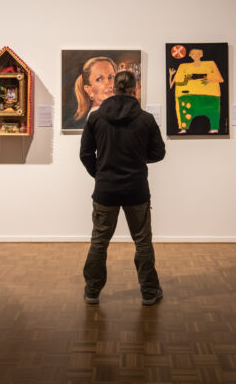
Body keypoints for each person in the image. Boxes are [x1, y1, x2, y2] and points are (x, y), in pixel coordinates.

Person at [80, 70, 166, 306]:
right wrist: (138, 160)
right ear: (134, 89)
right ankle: (149, 292)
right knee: (143, 242)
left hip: (105, 189)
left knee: (99, 241)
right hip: (136, 188)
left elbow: (85, 154)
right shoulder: (145, 119)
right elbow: (159, 153)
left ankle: (92, 291)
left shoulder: (96, 119)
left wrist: (100, 174)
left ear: (114, 88)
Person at [169, 48, 223, 133]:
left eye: (198, 53)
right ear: (190, 56)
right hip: (188, 95)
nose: (196, 56)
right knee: (185, 112)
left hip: (210, 94)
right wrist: (186, 80)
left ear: (201, 55)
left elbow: (219, 78)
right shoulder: (184, 67)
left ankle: (214, 127)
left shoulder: (210, 65)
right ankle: (183, 128)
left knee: (213, 112)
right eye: (194, 54)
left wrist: (210, 80)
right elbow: (178, 82)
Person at [73, 57, 117, 122]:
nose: (108, 83)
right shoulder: (98, 116)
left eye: (111, 77)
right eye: (99, 79)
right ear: (89, 91)